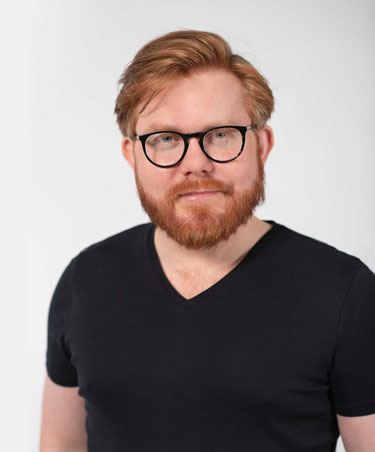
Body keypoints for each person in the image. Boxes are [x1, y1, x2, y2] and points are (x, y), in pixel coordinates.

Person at [40, 30, 375, 452]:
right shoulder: (85, 280)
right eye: (165, 139)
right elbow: (58, 442)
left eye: (220, 134)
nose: (195, 163)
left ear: (262, 145)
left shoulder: (343, 291)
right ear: (132, 155)